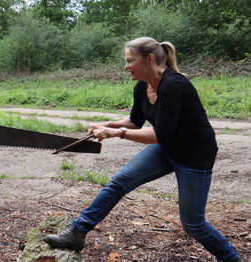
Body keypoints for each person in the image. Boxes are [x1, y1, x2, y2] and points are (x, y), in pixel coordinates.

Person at [44, 37, 243, 262]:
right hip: (167, 148)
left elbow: (159, 134)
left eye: (130, 60)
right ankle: (77, 232)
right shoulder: (142, 86)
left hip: (194, 156)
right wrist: (106, 124)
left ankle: (231, 258)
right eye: (126, 61)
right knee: (118, 182)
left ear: (149, 59)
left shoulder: (173, 85)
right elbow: (135, 122)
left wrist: (116, 133)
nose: (126, 66)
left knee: (193, 224)